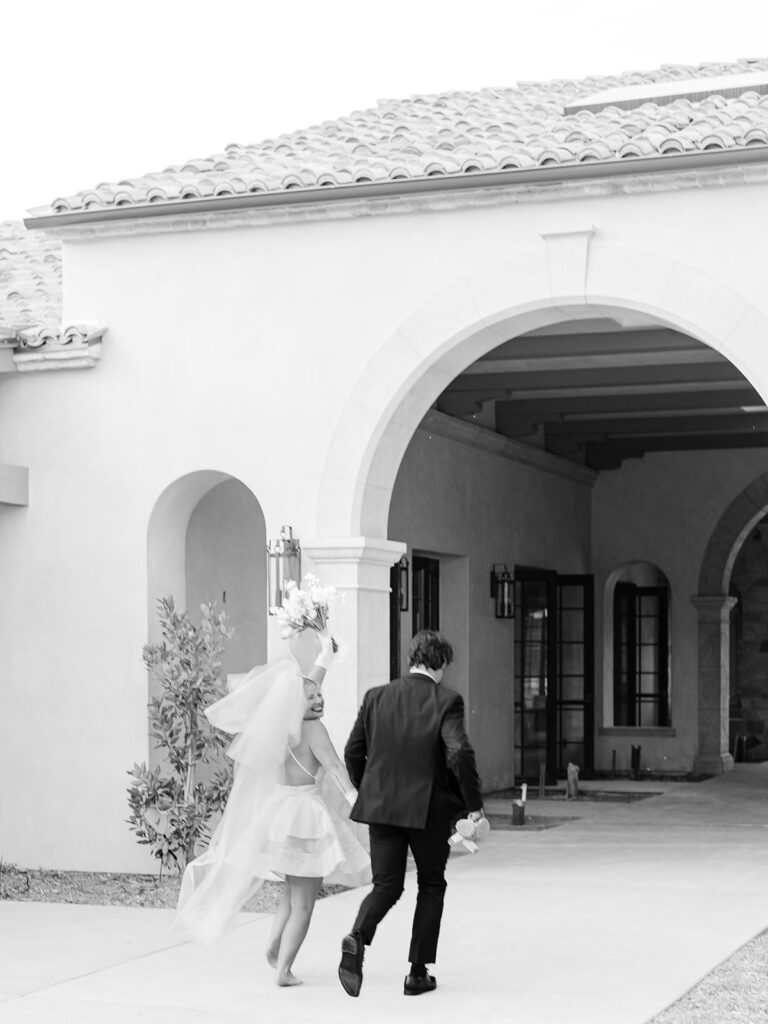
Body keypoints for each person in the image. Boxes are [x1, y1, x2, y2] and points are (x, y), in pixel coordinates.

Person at [172, 628, 370, 987]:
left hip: (279, 813)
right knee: (306, 902)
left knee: (291, 891)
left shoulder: (284, 723)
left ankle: (275, 947)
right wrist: (358, 801)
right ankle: (284, 970)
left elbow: (302, 687)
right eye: (313, 697)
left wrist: (325, 657)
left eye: (320, 694)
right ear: (300, 701)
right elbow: (337, 769)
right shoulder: (315, 732)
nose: (319, 698)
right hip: (306, 814)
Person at [338, 629, 484, 998]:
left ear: (411, 659)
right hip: (429, 811)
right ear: (440, 664)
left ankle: (357, 937)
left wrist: (367, 787)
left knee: (386, 885)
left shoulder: (376, 696)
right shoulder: (447, 700)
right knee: (431, 884)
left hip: (382, 807)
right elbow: (458, 753)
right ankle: (417, 974)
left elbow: (353, 751)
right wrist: (473, 806)